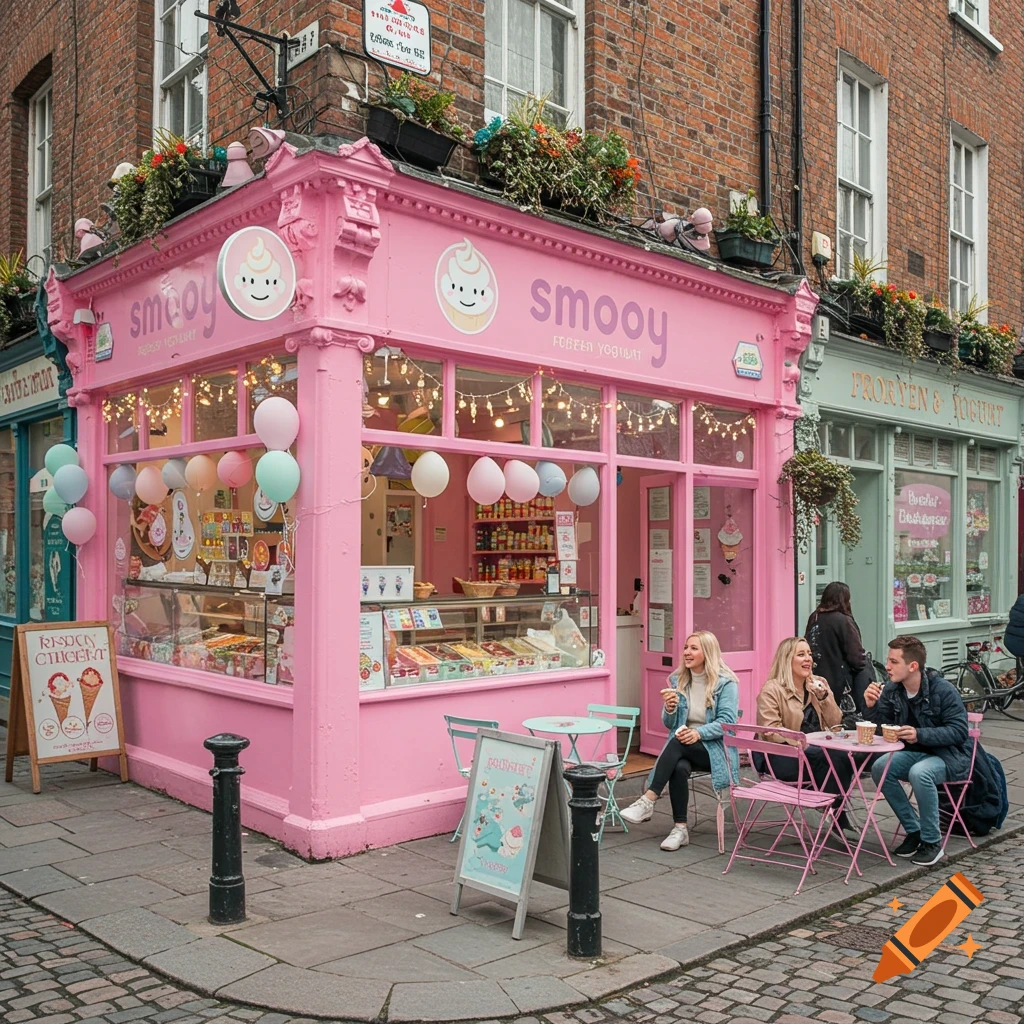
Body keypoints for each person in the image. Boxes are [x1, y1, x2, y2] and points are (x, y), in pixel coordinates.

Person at [619, 631, 739, 851]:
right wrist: (669, 708)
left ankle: (648, 800)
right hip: (684, 749)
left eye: (694, 648)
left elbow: (727, 723)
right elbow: (670, 723)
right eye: (686, 647)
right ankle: (680, 829)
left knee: (677, 741)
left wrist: (698, 733)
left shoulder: (726, 683)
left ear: (708, 652)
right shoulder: (678, 680)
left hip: (715, 751)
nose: (687, 652)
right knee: (679, 766)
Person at [865, 635, 971, 867]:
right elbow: (884, 730)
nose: (888, 667)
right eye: (888, 660)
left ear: (913, 666)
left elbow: (959, 731)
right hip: (916, 754)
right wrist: (871, 707)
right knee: (881, 766)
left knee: (919, 773)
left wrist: (919, 734)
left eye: (894, 662)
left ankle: (932, 842)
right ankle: (914, 831)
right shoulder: (893, 691)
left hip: (949, 756)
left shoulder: (942, 690)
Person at [755, 636, 855, 831]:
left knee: (844, 756)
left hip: (816, 752)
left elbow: (835, 724)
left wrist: (824, 697)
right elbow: (770, 730)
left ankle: (833, 809)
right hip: (782, 755)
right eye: (801, 654)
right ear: (786, 660)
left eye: (809, 654)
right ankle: (836, 813)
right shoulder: (772, 689)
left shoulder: (819, 684)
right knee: (829, 758)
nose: (808, 659)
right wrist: (800, 742)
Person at [805, 581, 869, 712]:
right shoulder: (843, 620)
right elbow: (856, 657)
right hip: (839, 684)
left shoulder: (814, 617)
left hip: (815, 679)